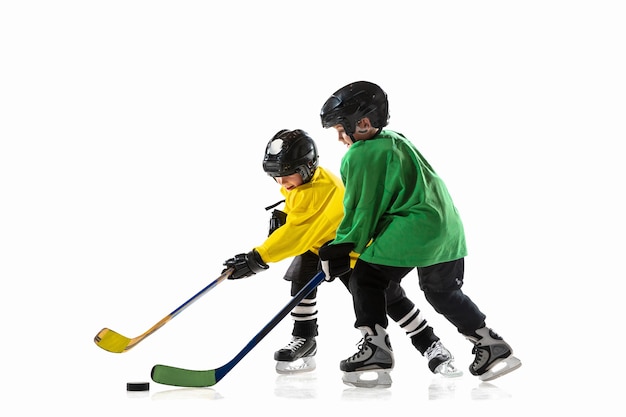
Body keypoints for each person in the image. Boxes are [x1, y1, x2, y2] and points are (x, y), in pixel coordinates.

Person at [318, 81, 521, 388]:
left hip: (413, 229)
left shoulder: (359, 154)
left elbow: (364, 207)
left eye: (340, 129)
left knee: (366, 278)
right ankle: (490, 345)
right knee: (441, 292)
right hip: (446, 228)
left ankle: (375, 349)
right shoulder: (396, 140)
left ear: (362, 123)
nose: (339, 137)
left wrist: (344, 245)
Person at [222, 128, 462, 381]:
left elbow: (296, 234)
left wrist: (257, 258)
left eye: (286, 176)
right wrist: (285, 217)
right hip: (318, 245)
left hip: (347, 250)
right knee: (301, 283)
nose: (281, 184)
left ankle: (430, 344)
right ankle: (304, 338)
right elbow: (301, 225)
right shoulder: (303, 184)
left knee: (384, 298)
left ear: (306, 168)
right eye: (275, 177)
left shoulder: (319, 189)